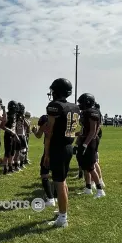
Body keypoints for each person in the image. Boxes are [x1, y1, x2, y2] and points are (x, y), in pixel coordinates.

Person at [43, 78, 80, 227]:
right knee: (62, 180)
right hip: (68, 146)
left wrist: (46, 154)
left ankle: (63, 218)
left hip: (58, 147)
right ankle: (62, 211)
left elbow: (49, 132)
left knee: (58, 182)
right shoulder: (75, 107)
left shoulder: (55, 106)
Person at [75, 93, 105, 198]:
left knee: (91, 167)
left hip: (90, 142)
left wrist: (84, 144)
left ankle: (100, 190)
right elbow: (84, 130)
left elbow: (92, 131)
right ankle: (88, 188)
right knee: (84, 166)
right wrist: (75, 135)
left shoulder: (92, 112)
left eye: (81, 102)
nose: (80, 104)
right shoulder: (86, 112)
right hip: (85, 140)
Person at [32, 114, 57, 208]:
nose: (41, 128)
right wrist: (35, 132)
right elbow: (39, 135)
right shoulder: (53, 123)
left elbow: (45, 138)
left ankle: (51, 199)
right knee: (56, 174)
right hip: (58, 150)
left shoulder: (47, 125)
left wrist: (47, 156)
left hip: (49, 150)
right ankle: (55, 196)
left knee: (44, 173)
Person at [3, 100, 20, 175]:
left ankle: (10, 167)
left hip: (13, 135)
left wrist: (15, 134)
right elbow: (2, 126)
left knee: (12, 152)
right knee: (7, 153)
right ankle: (5, 168)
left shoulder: (15, 115)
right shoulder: (7, 115)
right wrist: (11, 132)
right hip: (8, 135)